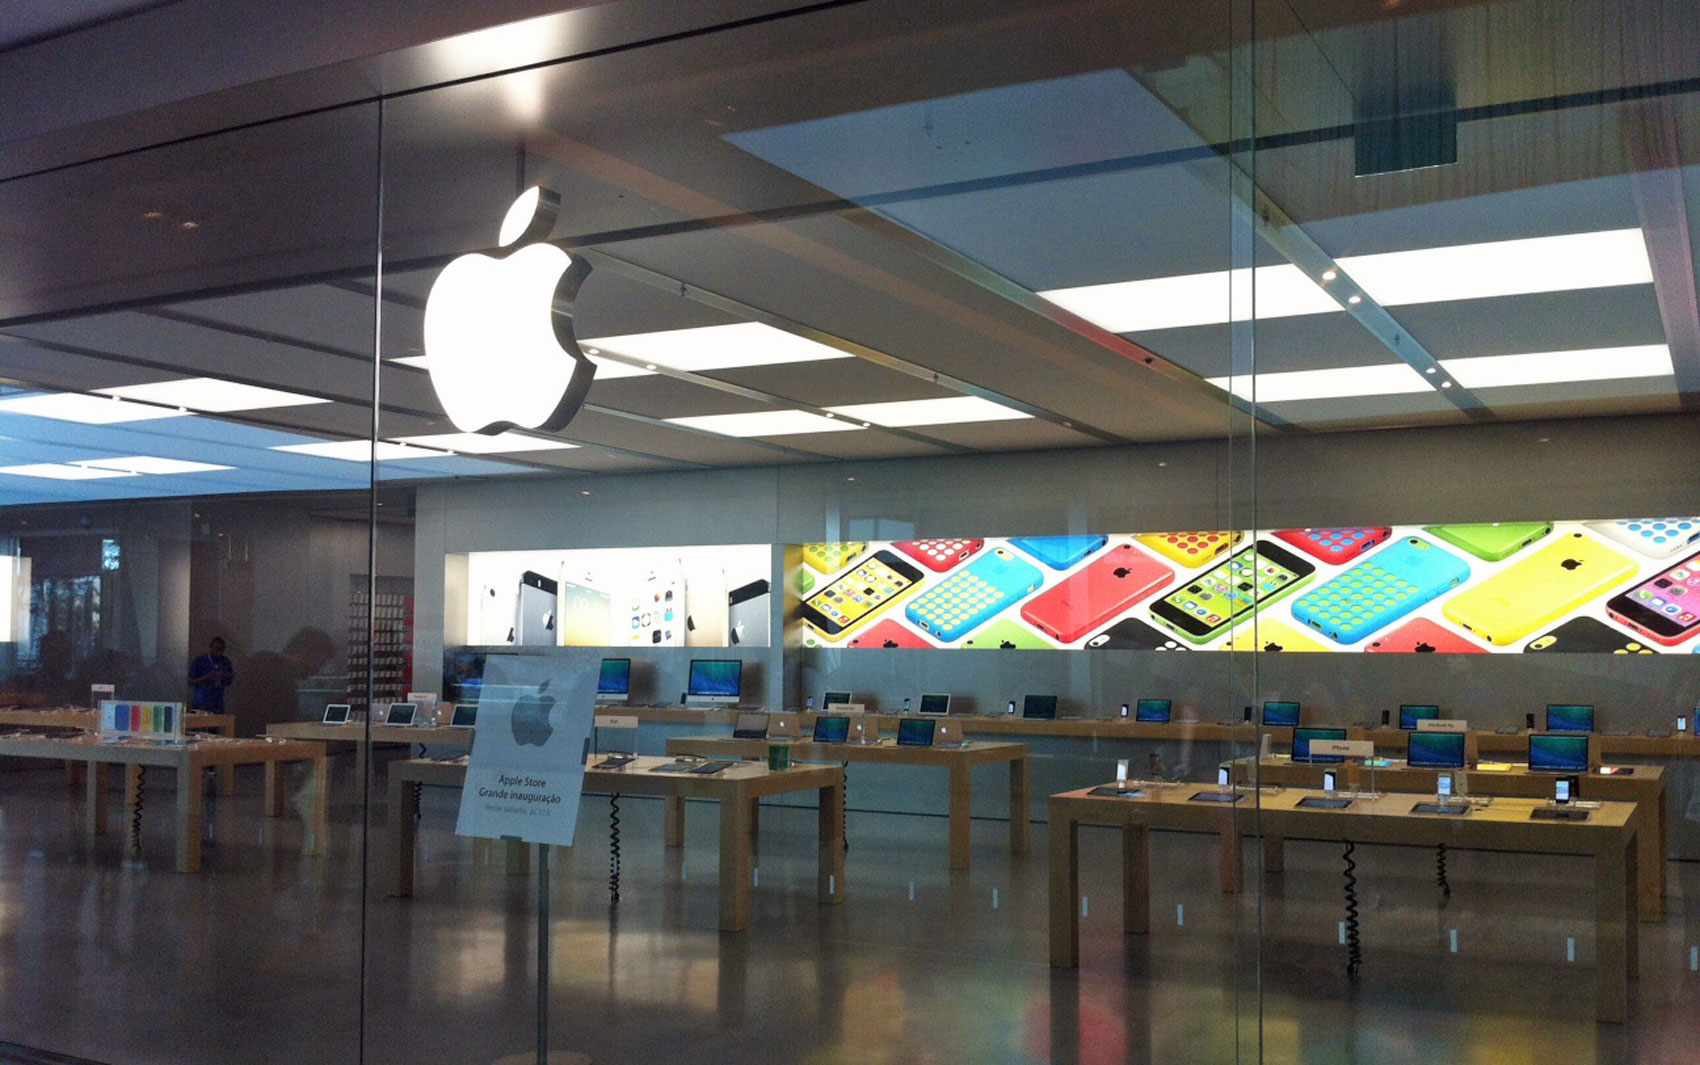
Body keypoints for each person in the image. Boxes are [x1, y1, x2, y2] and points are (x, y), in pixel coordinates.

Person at [188, 637, 235, 711]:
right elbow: (190, 682)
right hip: (200, 703)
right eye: (217, 649)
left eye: (221, 650)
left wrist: (223, 677)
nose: (219, 653)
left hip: (217, 704)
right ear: (211, 648)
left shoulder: (225, 661)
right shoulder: (199, 661)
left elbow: (229, 681)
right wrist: (206, 677)